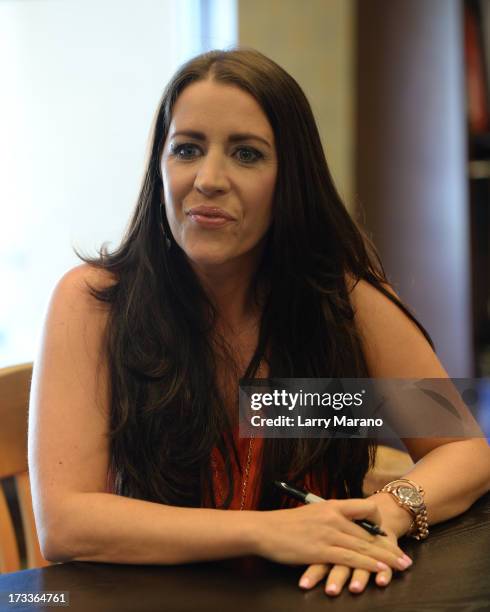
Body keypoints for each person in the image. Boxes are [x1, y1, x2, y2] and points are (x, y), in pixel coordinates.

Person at [29, 47, 490, 597]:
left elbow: (463, 451)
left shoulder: (341, 300)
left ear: (290, 180)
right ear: (159, 166)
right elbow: (65, 523)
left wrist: (390, 510)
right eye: (187, 149)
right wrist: (270, 532)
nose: (208, 179)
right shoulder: (93, 302)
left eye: (246, 154)